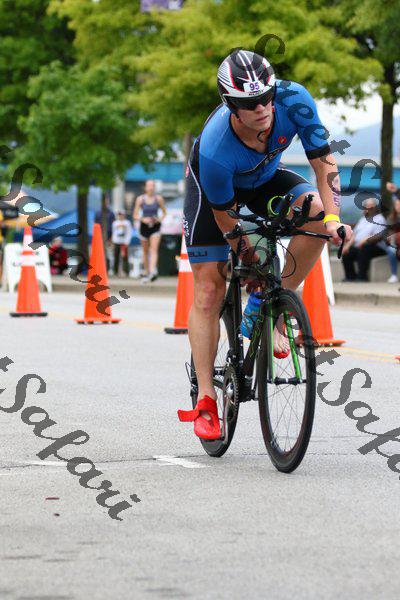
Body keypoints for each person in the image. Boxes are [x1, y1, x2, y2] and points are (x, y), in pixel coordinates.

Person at [177, 49, 351, 440]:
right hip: (215, 194)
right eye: (249, 103)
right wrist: (252, 263)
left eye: (266, 97)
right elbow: (227, 222)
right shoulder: (215, 148)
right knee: (209, 289)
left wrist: (334, 220)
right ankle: (206, 399)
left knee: (317, 216)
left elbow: (324, 163)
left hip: (266, 179)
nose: (261, 108)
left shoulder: (294, 99)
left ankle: (274, 303)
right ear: (230, 105)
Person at [341, 198, 388, 282]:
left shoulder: (380, 219)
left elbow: (378, 236)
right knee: (347, 253)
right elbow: (354, 234)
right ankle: (350, 277)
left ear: (375, 207)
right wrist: (347, 246)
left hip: (376, 247)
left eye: (371, 207)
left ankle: (362, 277)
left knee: (364, 250)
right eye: (367, 206)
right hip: (360, 246)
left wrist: (364, 241)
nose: (369, 209)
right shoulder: (362, 219)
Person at [133, 180, 166, 283]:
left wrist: (158, 219)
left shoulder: (159, 199)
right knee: (145, 251)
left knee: (154, 249)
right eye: (149, 185)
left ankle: (152, 272)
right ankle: (147, 272)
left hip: (155, 226)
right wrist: (143, 219)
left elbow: (164, 213)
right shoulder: (140, 199)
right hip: (144, 227)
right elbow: (135, 215)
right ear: (145, 187)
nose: (151, 187)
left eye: (153, 185)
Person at [95, 195, 115, 272]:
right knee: (100, 253)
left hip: (109, 236)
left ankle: (107, 268)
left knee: (108, 253)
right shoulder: (98, 213)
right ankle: (100, 268)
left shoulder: (111, 213)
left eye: (106, 201)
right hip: (99, 236)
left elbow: (114, 226)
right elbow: (95, 225)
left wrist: (112, 238)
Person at [111, 210, 132, 276]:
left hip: (124, 242)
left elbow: (129, 232)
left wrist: (127, 242)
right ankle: (115, 271)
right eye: (119, 214)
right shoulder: (115, 223)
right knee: (116, 256)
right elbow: (113, 232)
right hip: (116, 242)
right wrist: (113, 241)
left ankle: (126, 271)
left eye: (121, 214)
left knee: (125, 257)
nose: (120, 216)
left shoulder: (127, 223)